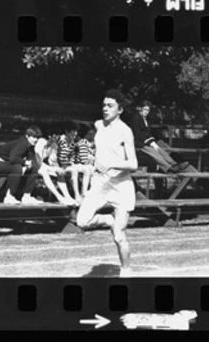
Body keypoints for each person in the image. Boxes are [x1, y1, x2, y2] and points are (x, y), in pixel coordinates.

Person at [75, 89, 139, 277]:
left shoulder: (126, 131)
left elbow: (133, 164)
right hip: (101, 184)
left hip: (120, 186)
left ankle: (126, 271)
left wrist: (111, 163)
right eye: (103, 105)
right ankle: (107, 220)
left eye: (110, 106)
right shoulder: (98, 125)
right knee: (82, 221)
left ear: (120, 110)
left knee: (119, 236)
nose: (105, 108)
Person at [128, 100, 190, 174]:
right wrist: (149, 142)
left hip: (146, 141)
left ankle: (174, 163)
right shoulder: (136, 118)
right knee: (154, 152)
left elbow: (148, 133)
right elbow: (137, 133)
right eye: (145, 109)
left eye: (148, 110)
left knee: (159, 148)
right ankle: (168, 167)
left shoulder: (146, 119)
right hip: (138, 143)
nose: (146, 112)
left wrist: (152, 141)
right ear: (141, 108)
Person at [0, 125, 42, 204]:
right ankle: (9, 196)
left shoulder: (30, 146)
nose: (36, 140)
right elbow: (13, 158)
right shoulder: (22, 143)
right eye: (33, 137)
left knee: (34, 168)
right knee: (17, 168)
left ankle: (27, 196)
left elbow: (32, 160)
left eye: (37, 138)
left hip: (8, 163)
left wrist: (30, 164)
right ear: (27, 136)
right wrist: (25, 163)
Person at [33, 125, 76, 205]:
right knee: (44, 171)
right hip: (33, 165)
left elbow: (52, 161)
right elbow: (38, 162)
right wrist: (54, 169)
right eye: (57, 136)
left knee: (60, 173)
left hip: (42, 166)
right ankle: (59, 197)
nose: (59, 138)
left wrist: (59, 169)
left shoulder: (54, 144)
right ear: (51, 136)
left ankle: (67, 197)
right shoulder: (41, 142)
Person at [74, 125, 96, 198]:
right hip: (78, 164)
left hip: (87, 165)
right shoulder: (82, 143)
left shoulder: (92, 143)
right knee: (89, 169)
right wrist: (92, 159)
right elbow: (84, 160)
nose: (91, 136)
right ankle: (84, 193)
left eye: (92, 134)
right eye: (89, 134)